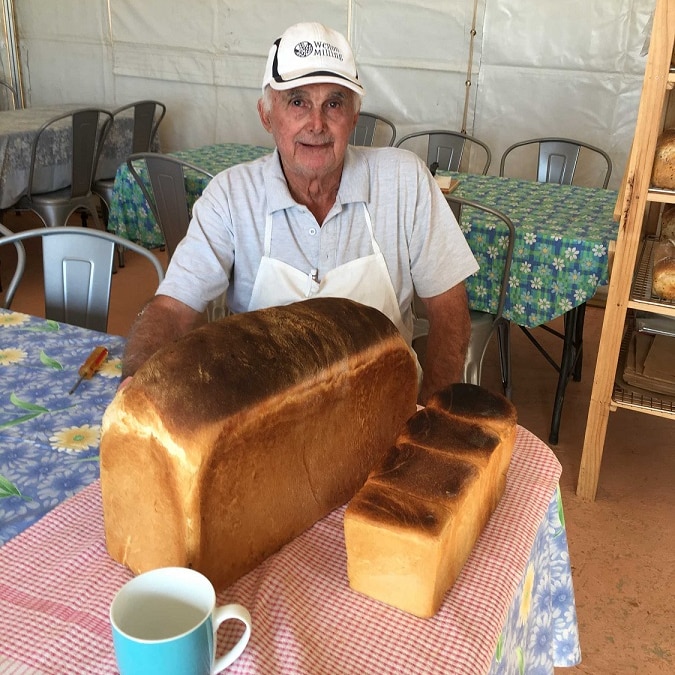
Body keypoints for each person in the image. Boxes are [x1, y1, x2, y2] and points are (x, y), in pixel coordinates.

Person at [121, 22, 478, 404]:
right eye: (297, 102)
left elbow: (450, 312)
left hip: (386, 409)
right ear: (267, 116)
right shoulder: (231, 195)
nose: (317, 124)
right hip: (264, 415)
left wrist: (430, 415)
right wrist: (136, 380)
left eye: (334, 103)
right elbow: (172, 309)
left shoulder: (404, 180)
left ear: (354, 117)